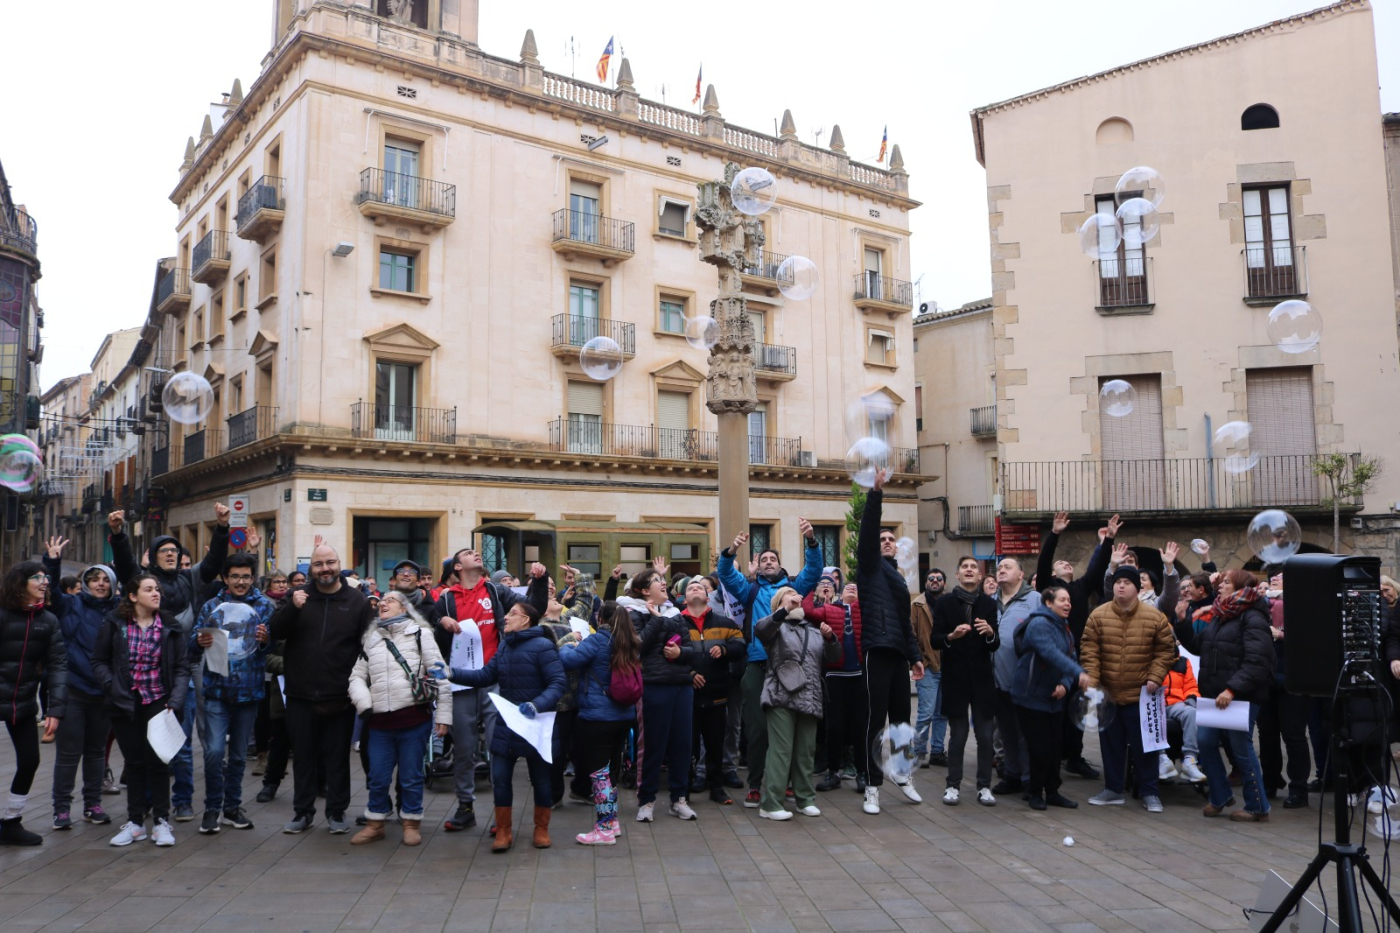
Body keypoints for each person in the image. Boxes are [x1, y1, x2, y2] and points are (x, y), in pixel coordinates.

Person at [109, 506, 231, 823]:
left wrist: (221, 527)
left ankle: (183, 800)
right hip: (153, 668)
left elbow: (215, 563)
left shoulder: (191, 578)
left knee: (183, 736)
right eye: (164, 550)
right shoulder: (144, 581)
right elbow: (124, 566)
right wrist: (119, 535)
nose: (171, 555)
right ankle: (149, 801)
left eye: (174, 550)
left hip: (188, 662)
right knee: (153, 739)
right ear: (152, 556)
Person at [434, 549, 548, 833]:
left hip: (495, 678)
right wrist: (441, 623)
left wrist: (541, 581)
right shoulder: (446, 598)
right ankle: (465, 806)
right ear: (458, 566)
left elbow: (535, 609)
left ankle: (502, 816)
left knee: (500, 749)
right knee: (464, 747)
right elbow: (434, 639)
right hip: (462, 682)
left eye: (477, 552)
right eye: (469, 553)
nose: (476, 553)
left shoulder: (497, 592)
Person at [268, 544, 376, 835]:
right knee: (303, 756)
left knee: (338, 757)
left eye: (330, 562)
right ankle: (302, 812)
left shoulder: (356, 601)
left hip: (340, 695)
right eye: (318, 564)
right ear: (310, 568)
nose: (324, 568)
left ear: (339, 564)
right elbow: (274, 632)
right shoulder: (297, 597)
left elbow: (369, 646)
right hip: (301, 693)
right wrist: (293, 607)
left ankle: (337, 812)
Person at [715, 522, 824, 807]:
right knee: (757, 730)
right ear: (758, 567)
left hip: (787, 667)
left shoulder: (793, 588)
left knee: (788, 730)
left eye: (772, 559)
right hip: (758, 665)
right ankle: (755, 785)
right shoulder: (749, 590)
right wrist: (732, 550)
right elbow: (725, 573)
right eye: (763, 560)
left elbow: (813, 572)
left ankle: (787, 784)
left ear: (780, 565)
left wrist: (811, 541)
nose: (768, 563)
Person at [448, 600, 565, 852]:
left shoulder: (543, 646)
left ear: (526, 621)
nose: (506, 618)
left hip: (536, 724)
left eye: (513, 614)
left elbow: (557, 683)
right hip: (508, 724)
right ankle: (503, 831)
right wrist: (451, 673)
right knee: (500, 778)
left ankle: (541, 829)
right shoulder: (504, 647)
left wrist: (536, 704)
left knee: (541, 780)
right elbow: (484, 677)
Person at [348, 591, 451, 846]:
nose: (383, 603)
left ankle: (411, 823)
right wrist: (365, 704)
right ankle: (375, 824)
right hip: (379, 723)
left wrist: (445, 717)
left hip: (414, 720)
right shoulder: (372, 638)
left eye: (390, 600)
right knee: (378, 777)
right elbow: (356, 677)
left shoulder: (420, 634)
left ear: (404, 609)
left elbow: (441, 674)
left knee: (411, 776)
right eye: (381, 601)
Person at [1171, 569, 1275, 821]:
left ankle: (1257, 806)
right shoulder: (1221, 615)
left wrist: (1232, 689)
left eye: (1227, 582)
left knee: (1241, 749)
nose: (1220, 585)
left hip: (1240, 696)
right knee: (1205, 742)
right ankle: (1220, 796)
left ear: (1240, 588)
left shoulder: (1252, 616)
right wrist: (1183, 621)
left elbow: (1258, 660)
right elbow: (1198, 646)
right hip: (1213, 695)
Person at [93, 574, 187, 847]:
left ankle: (161, 823)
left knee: (158, 763)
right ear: (133, 596)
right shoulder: (115, 623)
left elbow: (181, 667)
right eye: (149, 589)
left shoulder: (170, 625)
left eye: (157, 589)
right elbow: (98, 660)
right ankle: (135, 823)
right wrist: (113, 686)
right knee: (134, 764)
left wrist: (176, 700)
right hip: (125, 703)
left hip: (159, 702)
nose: (156, 593)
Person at [856, 471, 926, 814]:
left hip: (898, 654)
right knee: (875, 718)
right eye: (882, 538)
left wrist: (914, 656)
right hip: (876, 651)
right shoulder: (869, 569)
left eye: (891, 539)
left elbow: (905, 624)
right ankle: (872, 786)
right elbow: (868, 532)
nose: (886, 541)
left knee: (902, 719)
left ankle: (902, 774)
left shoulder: (898, 580)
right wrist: (876, 495)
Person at [1080, 566, 1178, 812]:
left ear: (1138, 587)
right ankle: (1113, 789)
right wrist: (1093, 682)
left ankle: (1150, 792)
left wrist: (1156, 675)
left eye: (1126, 582)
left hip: (1143, 694)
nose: (1121, 586)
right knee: (1110, 744)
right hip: (1109, 694)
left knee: (1146, 747)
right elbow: (1089, 650)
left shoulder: (1155, 617)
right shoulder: (1098, 615)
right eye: (1117, 582)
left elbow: (1166, 651)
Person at [188, 553, 273, 835]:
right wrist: (199, 641)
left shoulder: (263, 606)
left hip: (249, 692)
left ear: (253, 577)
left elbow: (271, 648)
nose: (241, 582)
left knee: (237, 755)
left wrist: (265, 641)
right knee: (213, 752)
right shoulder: (212, 606)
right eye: (235, 576)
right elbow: (192, 644)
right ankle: (212, 808)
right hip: (216, 690)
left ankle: (232, 808)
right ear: (225, 578)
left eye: (246, 576)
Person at [1035, 511, 1117, 780]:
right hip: (1055, 657)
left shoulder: (1081, 588)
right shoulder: (1048, 588)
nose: (1065, 563)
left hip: (1078, 654)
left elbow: (1097, 569)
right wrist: (1055, 533)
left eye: (1069, 562)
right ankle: (1053, 756)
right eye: (1061, 563)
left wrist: (1108, 541)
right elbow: (1044, 561)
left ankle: (1074, 756)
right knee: (1055, 709)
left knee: (1078, 706)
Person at [42, 536, 115, 830]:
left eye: (105, 580)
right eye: (93, 579)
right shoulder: (70, 604)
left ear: (112, 584)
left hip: (104, 692)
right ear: (85, 583)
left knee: (97, 752)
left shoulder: (118, 610)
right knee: (69, 754)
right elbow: (51, 594)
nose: (99, 584)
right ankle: (61, 809)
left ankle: (92, 804)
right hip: (73, 690)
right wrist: (53, 562)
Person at [620, 568, 700, 821]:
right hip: (653, 685)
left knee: (682, 745)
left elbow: (691, 647)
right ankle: (647, 801)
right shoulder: (632, 613)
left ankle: (679, 799)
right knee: (653, 745)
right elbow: (637, 647)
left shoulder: (675, 613)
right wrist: (655, 619)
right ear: (644, 591)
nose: (664, 583)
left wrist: (681, 654)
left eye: (663, 579)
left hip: (681, 686)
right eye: (657, 581)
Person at [755, 587, 841, 820]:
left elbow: (834, 657)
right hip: (780, 695)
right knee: (781, 751)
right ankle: (771, 804)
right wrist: (784, 610)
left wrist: (831, 638)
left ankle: (805, 800)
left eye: (796, 594)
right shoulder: (775, 626)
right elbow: (761, 630)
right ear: (778, 603)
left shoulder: (813, 630)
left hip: (810, 696)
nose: (796, 596)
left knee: (805, 752)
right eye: (788, 593)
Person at [559, 601, 641, 845]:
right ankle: (612, 822)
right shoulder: (630, 642)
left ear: (601, 619)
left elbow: (569, 661)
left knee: (599, 773)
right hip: (623, 715)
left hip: (597, 716)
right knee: (611, 769)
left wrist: (568, 646)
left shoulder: (597, 640)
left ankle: (603, 828)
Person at [0, 561, 66, 845]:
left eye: (46, 577)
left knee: (30, 760)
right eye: (36, 577)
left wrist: (56, 709)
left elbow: (58, 664)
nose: (44, 582)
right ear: (20, 583)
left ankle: (11, 823)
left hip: (23, 700)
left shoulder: (48, 621)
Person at [1011, 584, 1089, 809]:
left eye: (1069, 601)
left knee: (1056, 747)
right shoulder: (1039, 623)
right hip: (1030, 696)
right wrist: (1078, 674)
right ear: (1048, 603)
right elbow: (1050, 653)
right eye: (1062, 600)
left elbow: (1071, 656)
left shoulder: (1064, 627)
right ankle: (1035, 793)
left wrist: (1065, 684)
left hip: (1053, 698)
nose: (1068, 604)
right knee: (1039, 748)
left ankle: (1053, 792)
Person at [932, 556, 1000, 806]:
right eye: (965, 567)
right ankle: (952, 785)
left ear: (980, 576)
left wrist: (991, 633)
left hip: (982, 680)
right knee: (958, 736)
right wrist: (952, 635)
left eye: (973, 567)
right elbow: (935, 640)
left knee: (985, 736)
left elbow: (995, 645)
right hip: (956, 678)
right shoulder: (945, 603)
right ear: (958, 575)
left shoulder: (988, 605)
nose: (970, 570)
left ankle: (984, 787)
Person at [680, 578, 744, 806]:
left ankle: (716, 787)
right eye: (690, 587)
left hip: (716, 693)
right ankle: (684, 790)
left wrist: (725, 649)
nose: (695, 588)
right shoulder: (675, 623)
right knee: (687, 746)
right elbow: (666, 653)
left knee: (716, 743)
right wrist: (688, 674)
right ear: (684, 597)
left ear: (708, 597)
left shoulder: (724, 622)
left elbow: (740, 645)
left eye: (700, 587)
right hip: (686, 695)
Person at [805, 578, 864, 791]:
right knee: (834, 727)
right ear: (841, 592)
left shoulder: (864, 608)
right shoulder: (830, 609)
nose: (852, 587)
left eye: (856, 587)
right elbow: (808, 612)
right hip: (835, 675)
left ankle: (862, 772)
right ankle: (833, 772)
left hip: (860, 675)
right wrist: (817, 593)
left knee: (860, 726)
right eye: (849, 585)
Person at [991, 558, 1035, 796]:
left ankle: (1030, 779)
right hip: (997, 681)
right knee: (1006, 732)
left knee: (1025, 734)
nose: (1002, 570)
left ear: (1021, 574)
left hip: (1025, 681)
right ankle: (1012, 775)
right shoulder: (990, 602)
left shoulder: (1034, 600)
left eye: (1008, 567)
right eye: (999, 567)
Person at [911, 569, 946, 768]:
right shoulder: (916, 605)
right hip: (928, 667)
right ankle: (918, 751)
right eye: (931, 578)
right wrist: (919, 660)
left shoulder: (950, 603)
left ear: (944, 583)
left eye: (938, 579)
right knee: (925, 713)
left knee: (942, 713)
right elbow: (912, 634)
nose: (934, 581)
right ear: (926, 583)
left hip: (948, 667)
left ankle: (938, 751)